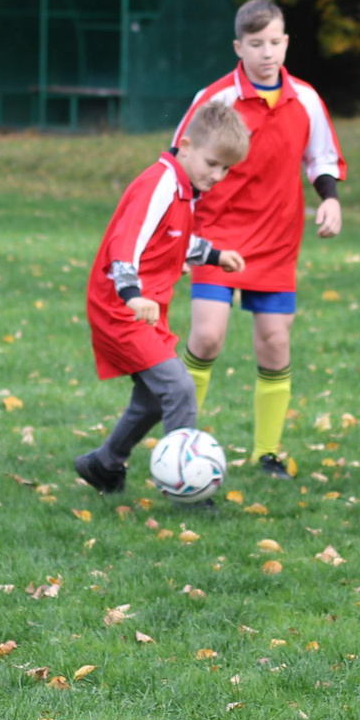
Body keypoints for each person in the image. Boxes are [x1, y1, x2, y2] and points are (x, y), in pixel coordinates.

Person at [173, 0, 345, 478]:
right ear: (238, 47)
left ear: (286, 42)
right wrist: (178, 233)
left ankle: (267, 453)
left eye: (274, 42)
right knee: (207, 337)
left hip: (276, 239)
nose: (266, 53)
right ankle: (178, 443)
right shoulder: (216, 99)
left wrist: (330, 199)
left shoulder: (305, 99)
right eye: (255, 44)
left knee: (274, 341)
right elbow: (179, 159)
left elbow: (322, 159)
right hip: (216, 233)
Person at [72, 101, 252, 493]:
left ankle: (104, 464)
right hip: (121, 308)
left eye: (225, 169)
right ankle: (188, 486)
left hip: (146, 307)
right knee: (179, 388)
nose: (217, 175)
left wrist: (215, 256)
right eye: (212, 163)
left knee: (154, 398)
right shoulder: (159, 185)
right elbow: (126, 244)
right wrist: (132, 295)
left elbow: (173, 239)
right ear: (185, 146)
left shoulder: (185, 188)